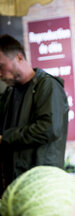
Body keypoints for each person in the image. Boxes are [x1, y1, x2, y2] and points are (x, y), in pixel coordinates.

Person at [0, 34, 69, 194]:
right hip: (16, 185)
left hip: (42, 185)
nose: (0, 74)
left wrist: (6, 138)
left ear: (19, 57)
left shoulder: (48, 85)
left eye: (1, 66)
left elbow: (48, 129)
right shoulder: (10, 94)